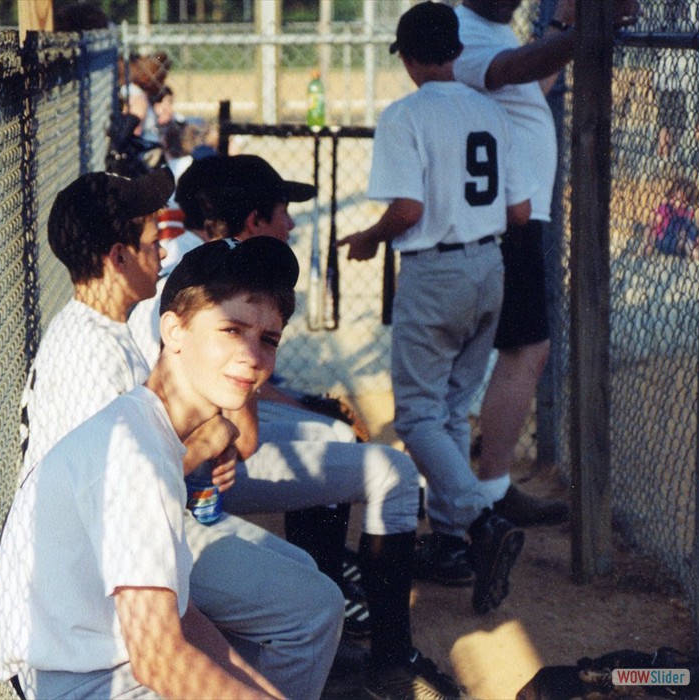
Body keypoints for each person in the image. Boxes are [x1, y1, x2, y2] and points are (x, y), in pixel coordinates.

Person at [130, 153, 464, 698]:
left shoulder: (192, 265)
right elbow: (247, 436)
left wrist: (303, 403)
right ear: (255, 221)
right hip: (181, 489)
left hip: (178, 474)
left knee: (330, 434)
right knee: (392, 472)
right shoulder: (214, 278)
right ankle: (386, 654)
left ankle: (330, 623)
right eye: (282, 211)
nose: (291, 224)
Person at [13, 168, 344, 700]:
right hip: (81, 674)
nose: (254, 355)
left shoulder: (146, 420)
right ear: (173, 330)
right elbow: (160, 659)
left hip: (100, 646)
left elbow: (183, 622)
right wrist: (212, 440)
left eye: (268, 340)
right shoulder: (129, 440)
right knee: (308, 605)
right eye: (231, 330)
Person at [338, 1, 533, 614]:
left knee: (419, 415)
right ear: (453, 49)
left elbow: (409, 213)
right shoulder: (489, 109)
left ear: (412, 56)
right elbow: (519, 212)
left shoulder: (405, 114)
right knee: (450, 407)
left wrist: (369, 238)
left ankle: (481, 524)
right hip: (489, 266)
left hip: (435, 270)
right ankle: (451, 541)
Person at [451, 0, 639, 537]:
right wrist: (587, 26)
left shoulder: (492, 27)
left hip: (518, 214)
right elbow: (511, 71)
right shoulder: (461, 29)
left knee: (512, 350)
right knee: (524, 349)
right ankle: (484, 491)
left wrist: (564, 25)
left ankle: (477, 489)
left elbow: (528, 87)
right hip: (507, 217)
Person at [642, 176, 699, 260]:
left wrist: (696, 236)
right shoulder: (665, 208)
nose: (674, 201)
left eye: (681, 201)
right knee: (685, 242)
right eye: (673, 197)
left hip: (682, 236)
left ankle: (696, 248)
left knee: (693, 234)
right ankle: (696, 254)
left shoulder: (686, 211)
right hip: (665, 238)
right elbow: (653, 223)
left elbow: (689, 226)